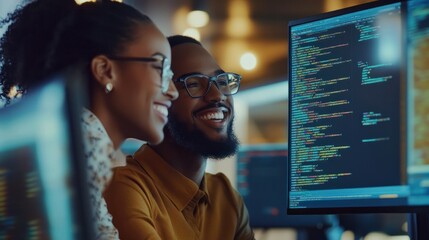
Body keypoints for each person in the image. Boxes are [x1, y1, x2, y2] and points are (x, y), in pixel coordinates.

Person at [0, 0, 178, 239]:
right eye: (160, 68)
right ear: (105, 71)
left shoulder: (74, 143)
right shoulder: (85, 147)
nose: (173, 90)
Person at [104, 35, 255, 240]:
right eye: (193, 84)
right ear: (161, 99)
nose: (217, 95)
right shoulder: (123, 187)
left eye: (222, 81)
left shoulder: (225, 196)